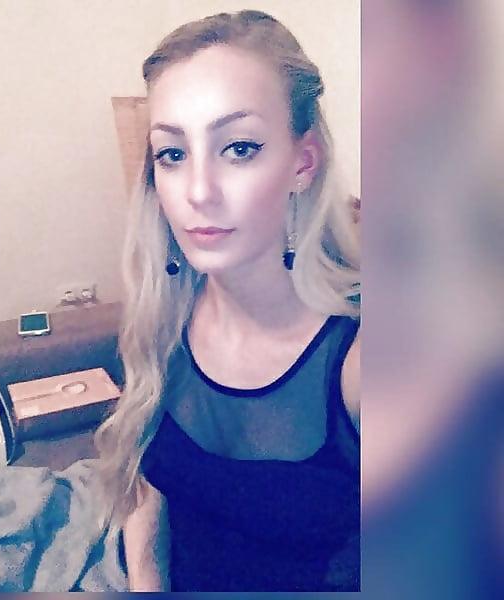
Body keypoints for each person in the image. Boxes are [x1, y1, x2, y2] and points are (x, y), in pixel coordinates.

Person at [94, 9, 360, 592]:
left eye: (238, 148)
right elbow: (146, 486)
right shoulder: (162, 312)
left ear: (302, 163)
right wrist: (145, 581)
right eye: (172, 154)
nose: (198, 192)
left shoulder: (364, 358)